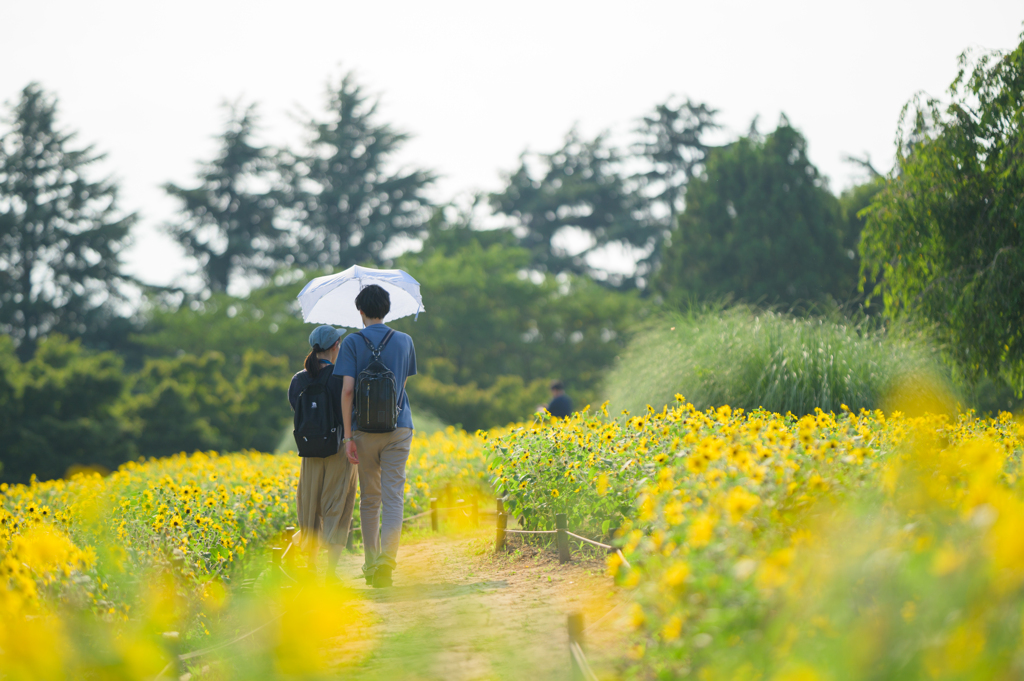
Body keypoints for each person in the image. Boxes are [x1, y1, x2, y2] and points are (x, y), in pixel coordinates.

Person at [336, 285, 417, 588]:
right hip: (399, 427)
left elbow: (346, 391)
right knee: (393, 495)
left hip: (364, 431)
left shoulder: (352, 343)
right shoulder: (405, 341)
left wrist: (348, 437)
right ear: (388, 308)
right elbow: (402, 384)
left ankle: (371, 564)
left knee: (370, 499)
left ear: (360, 310)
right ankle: (388, 561)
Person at [288, 325, 357, 583]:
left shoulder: (298, 379)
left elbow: (296, 409)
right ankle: (330, 573)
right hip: (340, 448)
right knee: (338, 504)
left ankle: (310, 567)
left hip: (309, 452)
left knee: (310, 505)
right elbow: (349, 413)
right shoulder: (341, 376)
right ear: (336, 345)